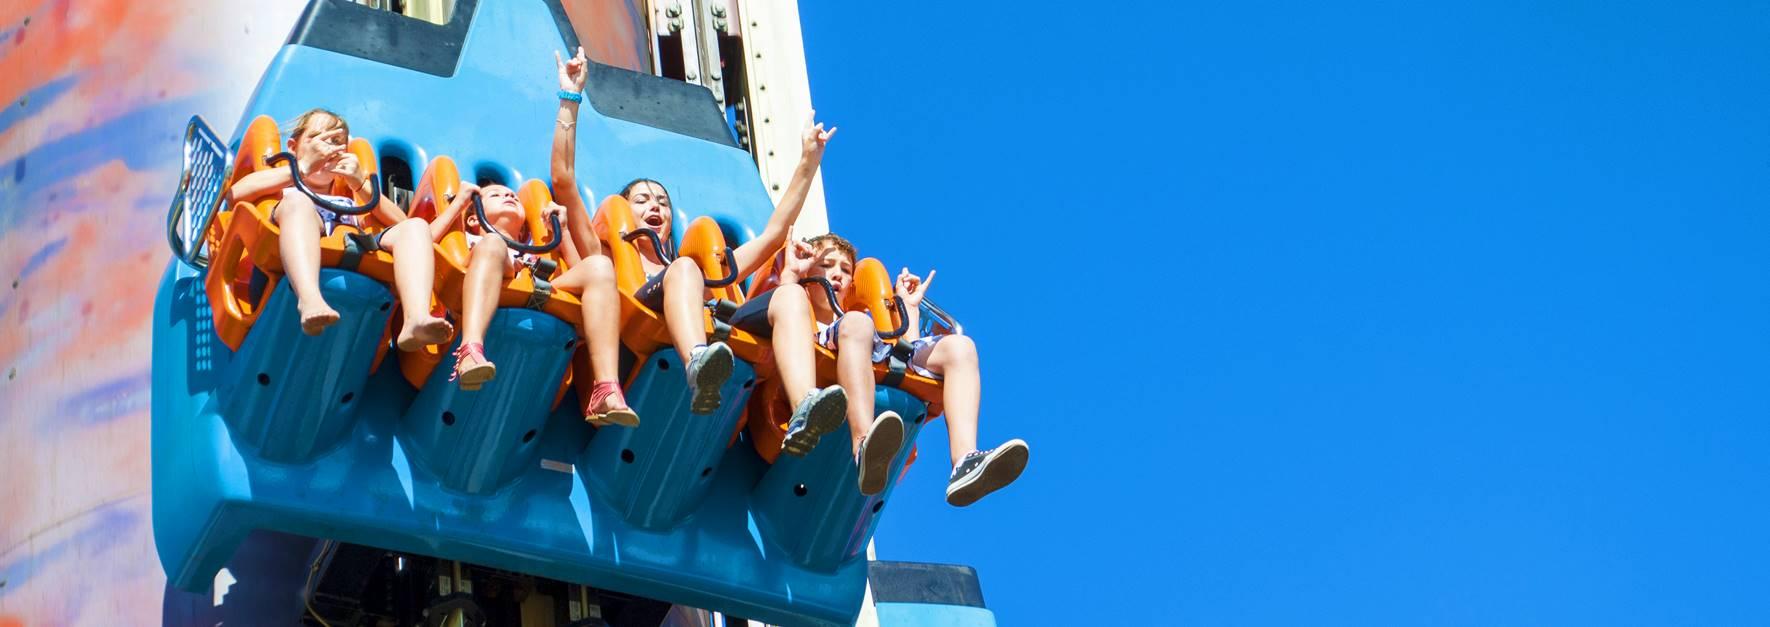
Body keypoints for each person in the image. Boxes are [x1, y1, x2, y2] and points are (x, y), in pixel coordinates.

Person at [731, 234, 1029, 506]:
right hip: (821, 354)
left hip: (869, 352)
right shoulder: (803, 310)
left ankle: (964, 461)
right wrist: (792, 274)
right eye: (826, 265)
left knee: (961, 347)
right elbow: (783, 309)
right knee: (859, 323)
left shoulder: (856, 320)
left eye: (846, 270)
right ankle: (863, 443)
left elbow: (903, 353)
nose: (837, 273)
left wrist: (909, 308)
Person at [597, 104, 836, 417]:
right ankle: (698, 362)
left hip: (710, 338)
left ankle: (804, 404)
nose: (655, 207)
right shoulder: (609, 258)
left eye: (663, 202)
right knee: (683, 268)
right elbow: (564, 181)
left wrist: (809, 161)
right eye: (642, 201)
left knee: (789, 294)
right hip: (635, 341)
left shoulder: (696, 275)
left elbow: (773, 235)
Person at [224, 108, 451, 349]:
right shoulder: (285, 189)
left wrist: (360, 183)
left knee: (415, 227)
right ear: (293, 146)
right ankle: (309, 299)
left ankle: (415, 319)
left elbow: (402, 223)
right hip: (286, 266)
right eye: (318, 139)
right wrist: (302, 167)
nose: (328, 149)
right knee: (299, 203)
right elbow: (234, 194)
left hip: (355, 259)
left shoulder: (352, 199)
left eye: (337, 143)